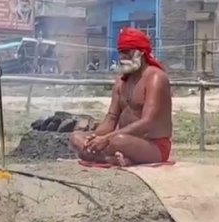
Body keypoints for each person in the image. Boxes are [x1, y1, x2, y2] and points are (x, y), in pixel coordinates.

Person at [69, 28, 173, 166]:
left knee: (117, 141)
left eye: (127, 52)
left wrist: (107, 139)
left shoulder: (155, 78)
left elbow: (148, 122)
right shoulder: (121, 82)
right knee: (76, 137)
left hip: (152, 145)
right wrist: (93, 138)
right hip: (120, 139)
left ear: (140, 53)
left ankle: (104, 157)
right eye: (121, 53)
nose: (122, 57)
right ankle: (110, 157)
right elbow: (111, 119)